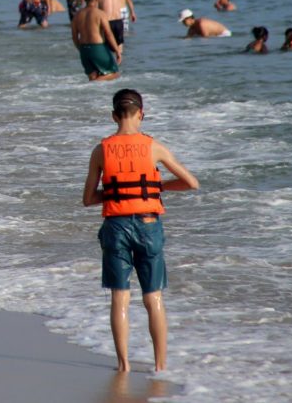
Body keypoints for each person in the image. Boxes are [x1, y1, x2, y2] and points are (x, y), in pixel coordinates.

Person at [82, 89, 200, 372]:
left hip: (116, 226)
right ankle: (160, 365)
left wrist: (115, 193)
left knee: (119, 296)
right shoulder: (153, 147)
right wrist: (156, 187)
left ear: (113, 116)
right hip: (148, 225)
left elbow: (88, 199)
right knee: (153, 296)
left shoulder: (101, 149)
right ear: (141, 114)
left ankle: (123, 365)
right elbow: (191, 183)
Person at [72, 0, 122, 81]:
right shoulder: (100, 13)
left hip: (84, 49)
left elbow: (74, 37)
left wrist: (81, 49)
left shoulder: (77, 15)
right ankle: (96, 83)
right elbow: (108, 34)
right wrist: (117, 51)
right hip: (97, 48)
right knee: (114, 73)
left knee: (92, 76)